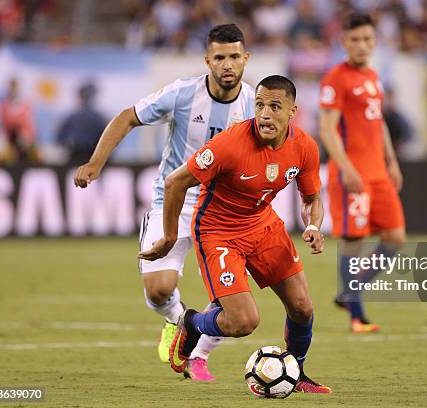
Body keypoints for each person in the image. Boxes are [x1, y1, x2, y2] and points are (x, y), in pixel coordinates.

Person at [73, 24, 254, 381]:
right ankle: (176, 319)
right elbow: (128, 117)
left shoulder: (253, 103)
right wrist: (96, 162)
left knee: (229, 297)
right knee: (158, 289)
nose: (228, 64)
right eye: (220, 57)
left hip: (222, 212)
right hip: (173, 202)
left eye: (235, 56)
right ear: (208, 61)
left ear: (245, 58)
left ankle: (197, 355)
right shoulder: (183, 93)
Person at [139, 75, 332, 394]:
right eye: (259, 105)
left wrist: (312, 225)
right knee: (243, 322)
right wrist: (170, 237)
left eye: (274, 106)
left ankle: (295, 372)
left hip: (263, 225)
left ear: (292, 111)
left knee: (302, 307)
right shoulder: (230, 144)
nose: (265, 114)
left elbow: (312, 199)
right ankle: (192, 324)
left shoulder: (305, 147)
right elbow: (175, 182)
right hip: (218, 232)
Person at [319, 13, 406, 333]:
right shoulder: (335, 79)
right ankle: (357, 315)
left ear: (374, 42)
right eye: (355, 39)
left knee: (395, 238)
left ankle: (348, 291)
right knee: (354, 241)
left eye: (367, 39)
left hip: (378, 173)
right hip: (352, 173)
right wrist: (345, 168)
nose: (361, 45)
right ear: (344, 42)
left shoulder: (372, 76)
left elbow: (378, 121)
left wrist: (392, 160)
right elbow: (327, 129)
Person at [57, 82, 107, 164]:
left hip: (79, 156)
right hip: (86, 157)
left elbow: (60, 137)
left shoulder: (72, 117)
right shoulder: (98, 118)